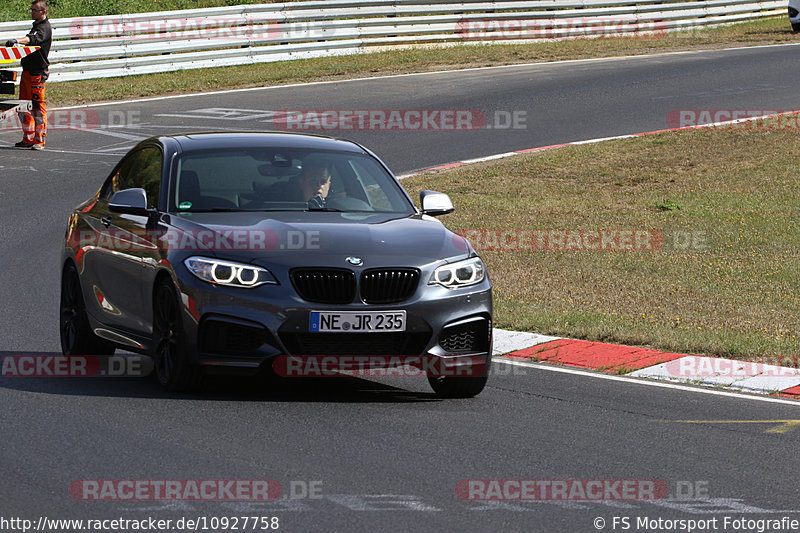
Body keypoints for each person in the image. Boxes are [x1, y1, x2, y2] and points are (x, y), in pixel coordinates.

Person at [5, 0, 52, 150]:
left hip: (37, 73)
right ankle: (28, 137)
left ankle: (39, 140)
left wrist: (17, 41)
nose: (32, 12)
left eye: (34, 10)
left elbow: (32, 40)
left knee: (37, 106)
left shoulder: (44, 28)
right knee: (23, 106)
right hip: (27, 72)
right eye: (31, 9)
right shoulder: (36, 26)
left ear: (43, 12)